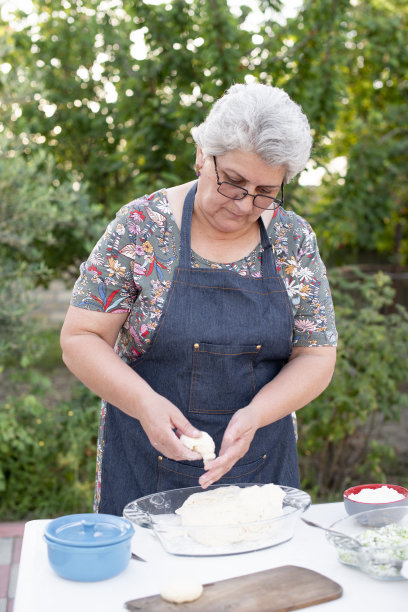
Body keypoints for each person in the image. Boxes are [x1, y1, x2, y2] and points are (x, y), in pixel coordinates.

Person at [60, 82, 337, 516]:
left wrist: (257, 415)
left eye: (266, 191)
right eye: (233, 182)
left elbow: (317, 357)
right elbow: (80, 338)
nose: (246, 205)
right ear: (202, 157)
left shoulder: (293, 240)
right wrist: (144, 404)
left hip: (259, 470)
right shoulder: (142, 227)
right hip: (142, 466)